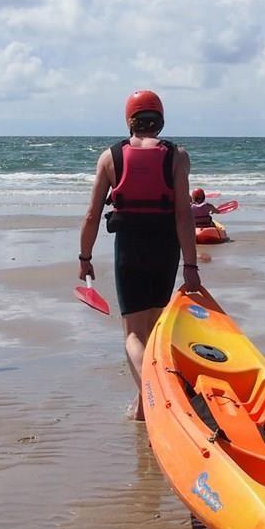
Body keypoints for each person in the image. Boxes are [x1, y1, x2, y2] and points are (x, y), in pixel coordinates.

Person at [78, 90, 201, 421]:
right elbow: (183, 215)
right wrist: (190, 264)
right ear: (160, 120)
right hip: (166, 248)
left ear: (128, 120)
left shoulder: (110, 158)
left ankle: (152, 398)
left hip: (130, 247)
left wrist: (84, 257)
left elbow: (91, 215)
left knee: (133, 333)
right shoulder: (178, 156)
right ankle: (144, 401)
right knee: (155, 326)